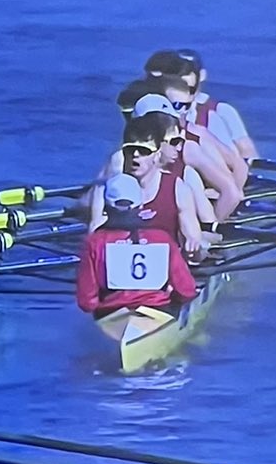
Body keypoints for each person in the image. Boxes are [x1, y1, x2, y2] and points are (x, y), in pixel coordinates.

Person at [75, 118, 202, 334]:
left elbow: (195, 248)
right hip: (122, 287)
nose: (135, 156)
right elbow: (95, 240)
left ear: (157, 154)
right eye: (130, 150)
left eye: (143, 151)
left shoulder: (177, 188)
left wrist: (194, 247)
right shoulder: (108, 190)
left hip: (167, 276)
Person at [105, 75, 244, 221]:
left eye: (175, 141)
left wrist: (213, 226)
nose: (175, 148)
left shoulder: (189, 155)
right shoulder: (121, 158)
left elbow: (232, 193)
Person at [144, 48, 260, 162]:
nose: (182, 76)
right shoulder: (159, 108)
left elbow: (246, 149)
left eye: (187, 71)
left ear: (201, 75)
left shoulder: (220, 112)